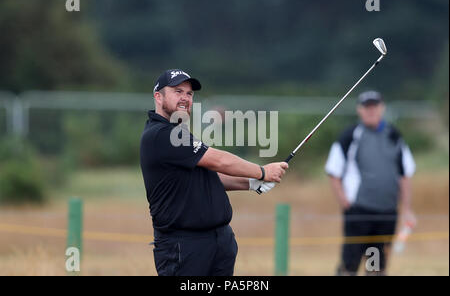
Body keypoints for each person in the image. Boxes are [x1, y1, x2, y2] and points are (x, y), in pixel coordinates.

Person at [140, 69, 288, 276]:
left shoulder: (179, 132)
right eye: (177, 91)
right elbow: (218, 160)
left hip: (218, 240)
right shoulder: (160, 135)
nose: (185, 98)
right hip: (183, 245)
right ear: (158, 96)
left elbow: (206, 176)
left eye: (189, 94)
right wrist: (262, 171)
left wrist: (251, 182)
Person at [324, 90, 416, 276]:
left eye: (374, 107)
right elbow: (334, 172)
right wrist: (345, 202)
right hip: (359, 210)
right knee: (350, 261)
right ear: (360, 110)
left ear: (382, 108)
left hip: (386, 211)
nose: (371, 111)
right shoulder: (351, 136)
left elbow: (405, 174)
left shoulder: (394, 136)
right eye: (367, 107)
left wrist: (406, 208)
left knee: (376, 263)